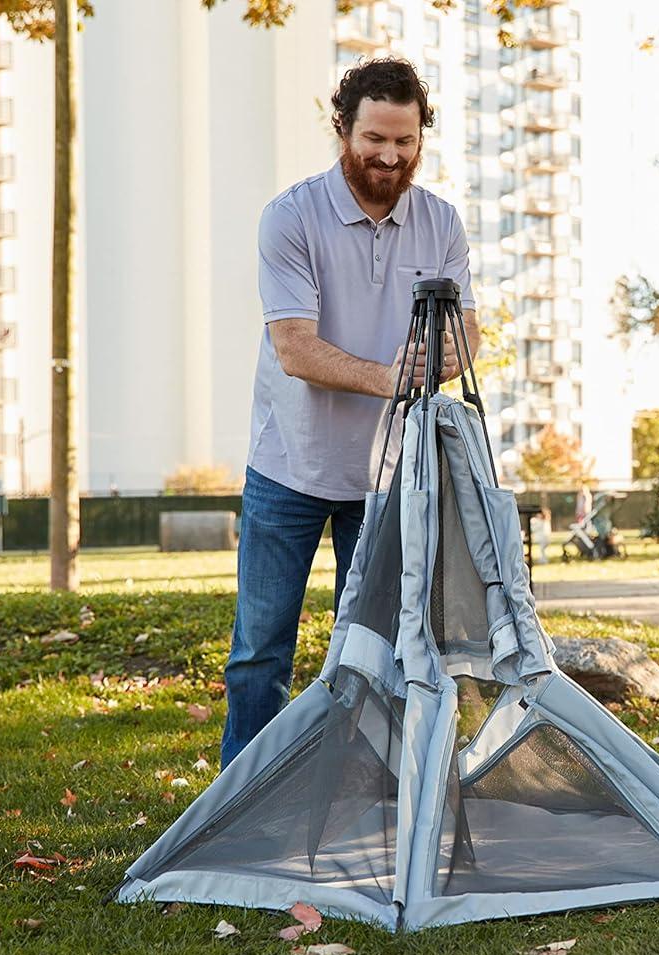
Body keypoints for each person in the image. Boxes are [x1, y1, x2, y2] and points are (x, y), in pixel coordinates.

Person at [221, 57, 480, 767]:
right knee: (259, 651)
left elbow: (465, 332)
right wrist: (393, 377)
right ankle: (241, 799)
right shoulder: (292, 217)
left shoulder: (441, 223)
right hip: (290, 468)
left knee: (373, 652)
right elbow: (296, 350)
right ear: (343, 129)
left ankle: (357, 800)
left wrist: (444, 358)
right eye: (375, 139)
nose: (390, 156)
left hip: (387, 476)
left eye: (404, 141)